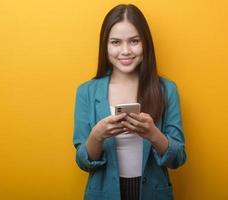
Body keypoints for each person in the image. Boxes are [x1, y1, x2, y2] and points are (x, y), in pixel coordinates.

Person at [73, 4, 186, 200]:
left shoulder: (167, 90)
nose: (125, 51)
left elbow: (178, 158)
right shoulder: (86, 92)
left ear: (146, 43)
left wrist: (153, 134)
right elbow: (83, 162)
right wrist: (97, 136)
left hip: (153, 193)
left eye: (134, 41)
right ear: (105, 45)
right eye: (116, 42)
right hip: (104, 193)